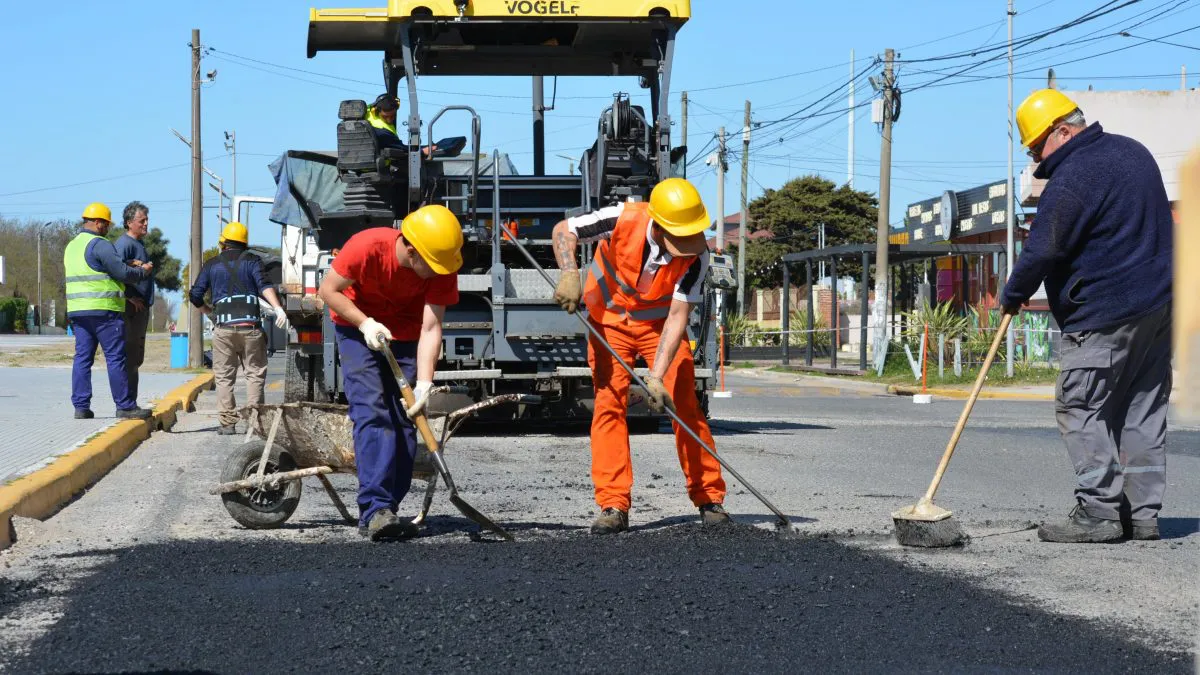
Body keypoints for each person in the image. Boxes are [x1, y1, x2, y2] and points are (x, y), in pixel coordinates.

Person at [1004, 89, 1173, 543]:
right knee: (1141, 411)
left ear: (1063, 131)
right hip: (1157, 309)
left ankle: (1099, 512)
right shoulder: (1134, 153)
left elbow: (1044, 246)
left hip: (1103, 314)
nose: (1036, 159)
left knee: (1080, 406)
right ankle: (1142, 516)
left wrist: (1013, 294)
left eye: (1036, 147)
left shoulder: (1074, 175)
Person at [550, 178, 730, 535]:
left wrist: (656, 377)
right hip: (609, 323)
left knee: (684, 403)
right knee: (609, 405)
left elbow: (678, 317)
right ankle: (613, 504)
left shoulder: (697, 257)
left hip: (658, 328)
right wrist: (569, 273)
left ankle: (709, 497)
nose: (686, 247)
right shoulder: (623, 218)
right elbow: (563, 230)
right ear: (658, 226)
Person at [317, 204, 463, 541]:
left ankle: (387, 510)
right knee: (372, 410)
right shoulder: (366, 247)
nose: (438, 273)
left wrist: (424, 383)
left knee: (404, 418)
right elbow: (328, 290)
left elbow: (431, 327)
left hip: (407, 334)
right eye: (432, 266)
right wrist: (365, 323)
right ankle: (375, 508)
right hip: (357, 327)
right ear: (411, 251)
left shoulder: (442, 263)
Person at [189, 222, 288, 435]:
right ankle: (255, 421)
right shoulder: (253, 261)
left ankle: (227, 423)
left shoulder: (212, 264)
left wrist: (209, 312)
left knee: (224, 376)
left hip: (224, 329)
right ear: (244, 243)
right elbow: (264, 286)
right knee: (254, 374)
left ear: (223, 242)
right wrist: (278, 308)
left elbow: (195, 295)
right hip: (251, 327)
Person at [65, 203, 154, 420]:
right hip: (104, 311)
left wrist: (125, 264)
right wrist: (142, 271)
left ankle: (81, 407)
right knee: (115, 358)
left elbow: (97, 268)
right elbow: (122, 273)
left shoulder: (72, 246)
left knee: (82, 359)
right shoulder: (100, 244)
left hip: (78, 311)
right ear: (98, 223)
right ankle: (125, 406)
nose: (108, 228)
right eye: (106, 224)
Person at [114, 201, 154, 402]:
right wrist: (129, 297)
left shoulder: (138, 244)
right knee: (130, 357)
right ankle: (127, 403)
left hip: (140, 310)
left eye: (147, 220)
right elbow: (115, 272)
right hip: (130, 310)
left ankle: (131, 401)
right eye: (141, 220)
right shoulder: (124, 244)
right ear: (129, 223)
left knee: (136, 358)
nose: (146, 224)